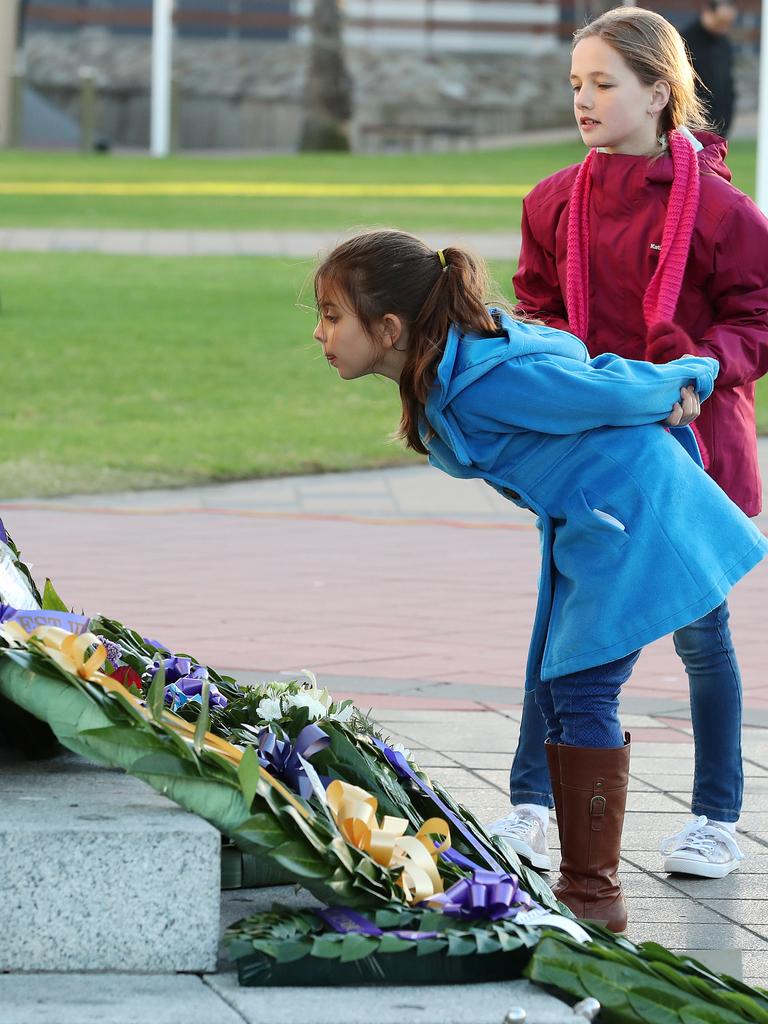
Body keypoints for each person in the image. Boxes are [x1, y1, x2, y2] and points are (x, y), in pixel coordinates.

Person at [311, 227, 768, 931]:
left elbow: (591, 386)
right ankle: (588, 885)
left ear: (391, 327)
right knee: (570, 681)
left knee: (581, 687)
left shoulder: (486, 380)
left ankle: (593, 895)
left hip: (633, 516)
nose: (321, 333)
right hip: (609, 518)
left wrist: (683, 381)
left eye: (333, 314)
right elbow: (570, 373)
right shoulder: (452, 373)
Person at [499, 5, 768, 882]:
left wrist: (701, 368)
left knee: (703, 635)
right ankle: (532, 805)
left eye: (603, 84)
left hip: (691, 458)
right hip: (589, 462)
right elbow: (537, 313)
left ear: (660, 93)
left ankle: (715, 819)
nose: (584, 99)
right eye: (576, 83)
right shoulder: (551, 200)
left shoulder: (724, 210)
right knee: (561, 626)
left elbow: (756, 320)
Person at [682, 0, 737, 137]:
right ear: (707, 12)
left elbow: (727, 82)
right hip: (693, 124)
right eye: (720, 21)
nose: (723, 28)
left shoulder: (724, 43)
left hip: (721, 124)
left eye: (727, 24)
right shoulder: (684, 41)